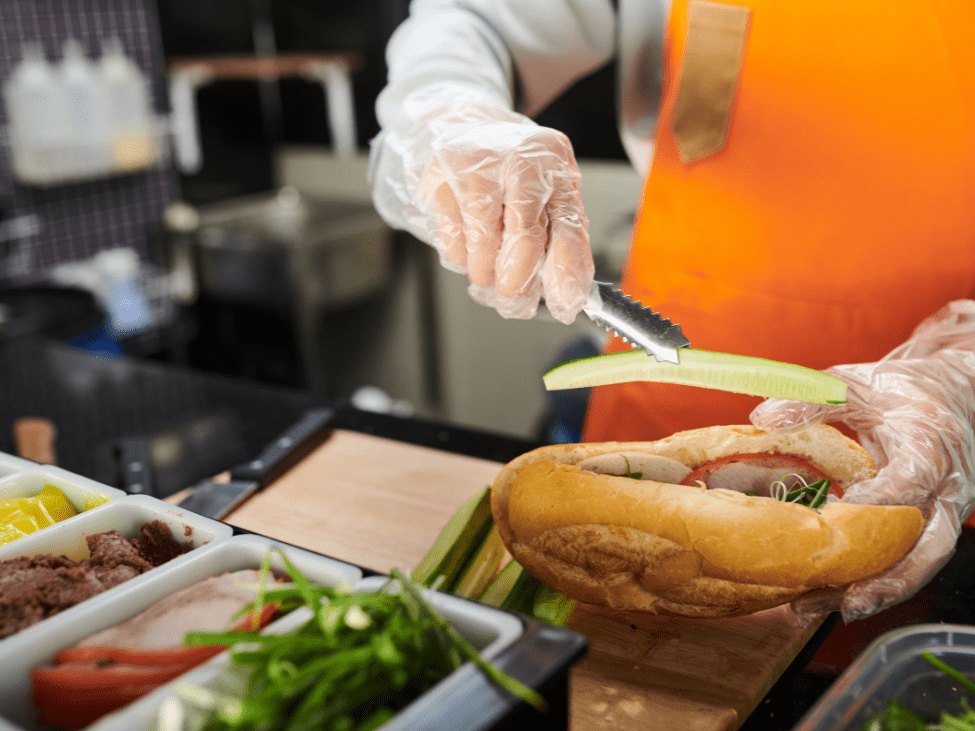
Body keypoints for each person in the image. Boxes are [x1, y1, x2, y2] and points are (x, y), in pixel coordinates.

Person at [368, 0, 975, 622]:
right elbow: (479, 21)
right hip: (646, 442)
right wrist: (451, 121)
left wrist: (966, 378)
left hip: (941, 485)